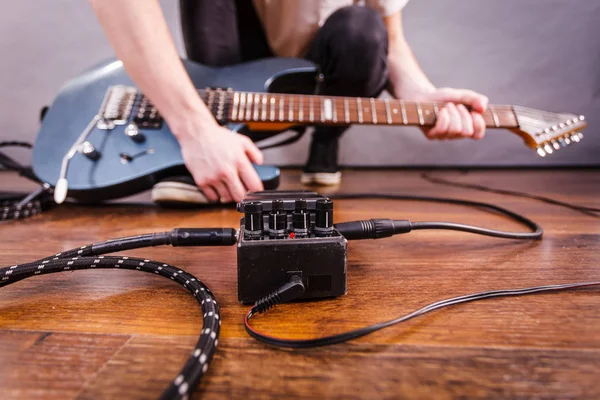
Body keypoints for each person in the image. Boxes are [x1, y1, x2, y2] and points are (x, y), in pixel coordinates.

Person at [90, 0, 489, 203]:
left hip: (319, 65)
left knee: (362, 30)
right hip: (240, 58)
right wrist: (194, 128)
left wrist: (418, 96)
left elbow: (390, 37)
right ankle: (214, 139)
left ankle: (326, 140)